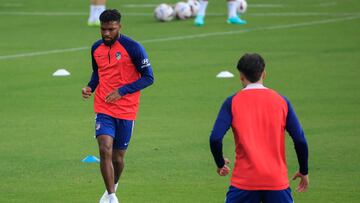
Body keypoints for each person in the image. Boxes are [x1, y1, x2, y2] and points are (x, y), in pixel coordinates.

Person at [209, 53, 309, 203]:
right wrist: (304, 170)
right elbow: (300, 140)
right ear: (264, 74)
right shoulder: (282, 101)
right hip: (276, 182)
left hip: (244, 183)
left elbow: (215, 138)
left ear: (241, 76)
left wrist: (220, 163)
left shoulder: (232, 102)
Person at [82, 9, 154, 203]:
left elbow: (149, 78)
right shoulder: (96, 48)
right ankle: (112, 197)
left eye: (111, 29)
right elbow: (97, 73)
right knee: (104, 149)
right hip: (104, 108)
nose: (106, 33)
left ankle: (112, 188)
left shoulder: (134, 48)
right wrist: (90, 86)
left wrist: (122, 91)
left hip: (127, 110)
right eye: (103, 29)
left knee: (118, 158)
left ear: (119, 27)